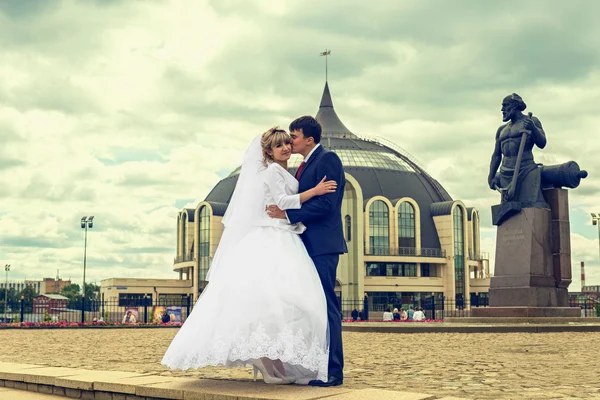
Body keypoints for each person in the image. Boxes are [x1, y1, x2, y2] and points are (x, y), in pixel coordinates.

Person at [161, 127, 337, 385]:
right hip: (273, 235)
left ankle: (271, 365)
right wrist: (314, 191)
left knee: (274, 301)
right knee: (278, 299)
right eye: (279, 146)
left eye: (287, 143)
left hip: (281, 231)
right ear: (268, 151)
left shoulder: (279, 170)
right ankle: (267, 363)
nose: (286, 148)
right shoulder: (274, 171)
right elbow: (283, 201)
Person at [267, 116, 347, 387]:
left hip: (323, 245)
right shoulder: (302, 166)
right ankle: (314, 366)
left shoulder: (328, 160)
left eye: (295, 136)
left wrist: (287, 214)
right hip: (305, 244)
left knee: (326, 307)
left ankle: (333, 372)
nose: (290, 141)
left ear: (309, 140)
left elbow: (326, 204)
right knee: (310, 307)